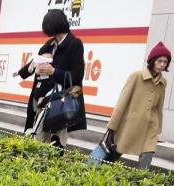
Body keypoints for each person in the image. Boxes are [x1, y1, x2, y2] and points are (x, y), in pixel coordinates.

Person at [89, 42, 170, 170]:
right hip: (129, 125)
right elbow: (122, 102)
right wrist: (112, 126)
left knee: (148, 154)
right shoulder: (136, 76)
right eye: (159, 61)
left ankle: (143, 182)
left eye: (165, 62)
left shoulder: (162, 83)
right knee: (113, 151)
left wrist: (157, 128)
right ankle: (90, 170)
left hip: (150, 127)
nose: (162, 64)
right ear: (153, 60)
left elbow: (158, 107)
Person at [13, 9, 86, 148]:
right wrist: (21, 72)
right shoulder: (49, 44)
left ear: (55, 25)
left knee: (55, 141)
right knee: (36, 137)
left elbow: (77, 76)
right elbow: (36, 61)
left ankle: (53, 168)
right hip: (41, 98)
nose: (45, 30)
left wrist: (54, 71)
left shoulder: (75, 44)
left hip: (60, 102)